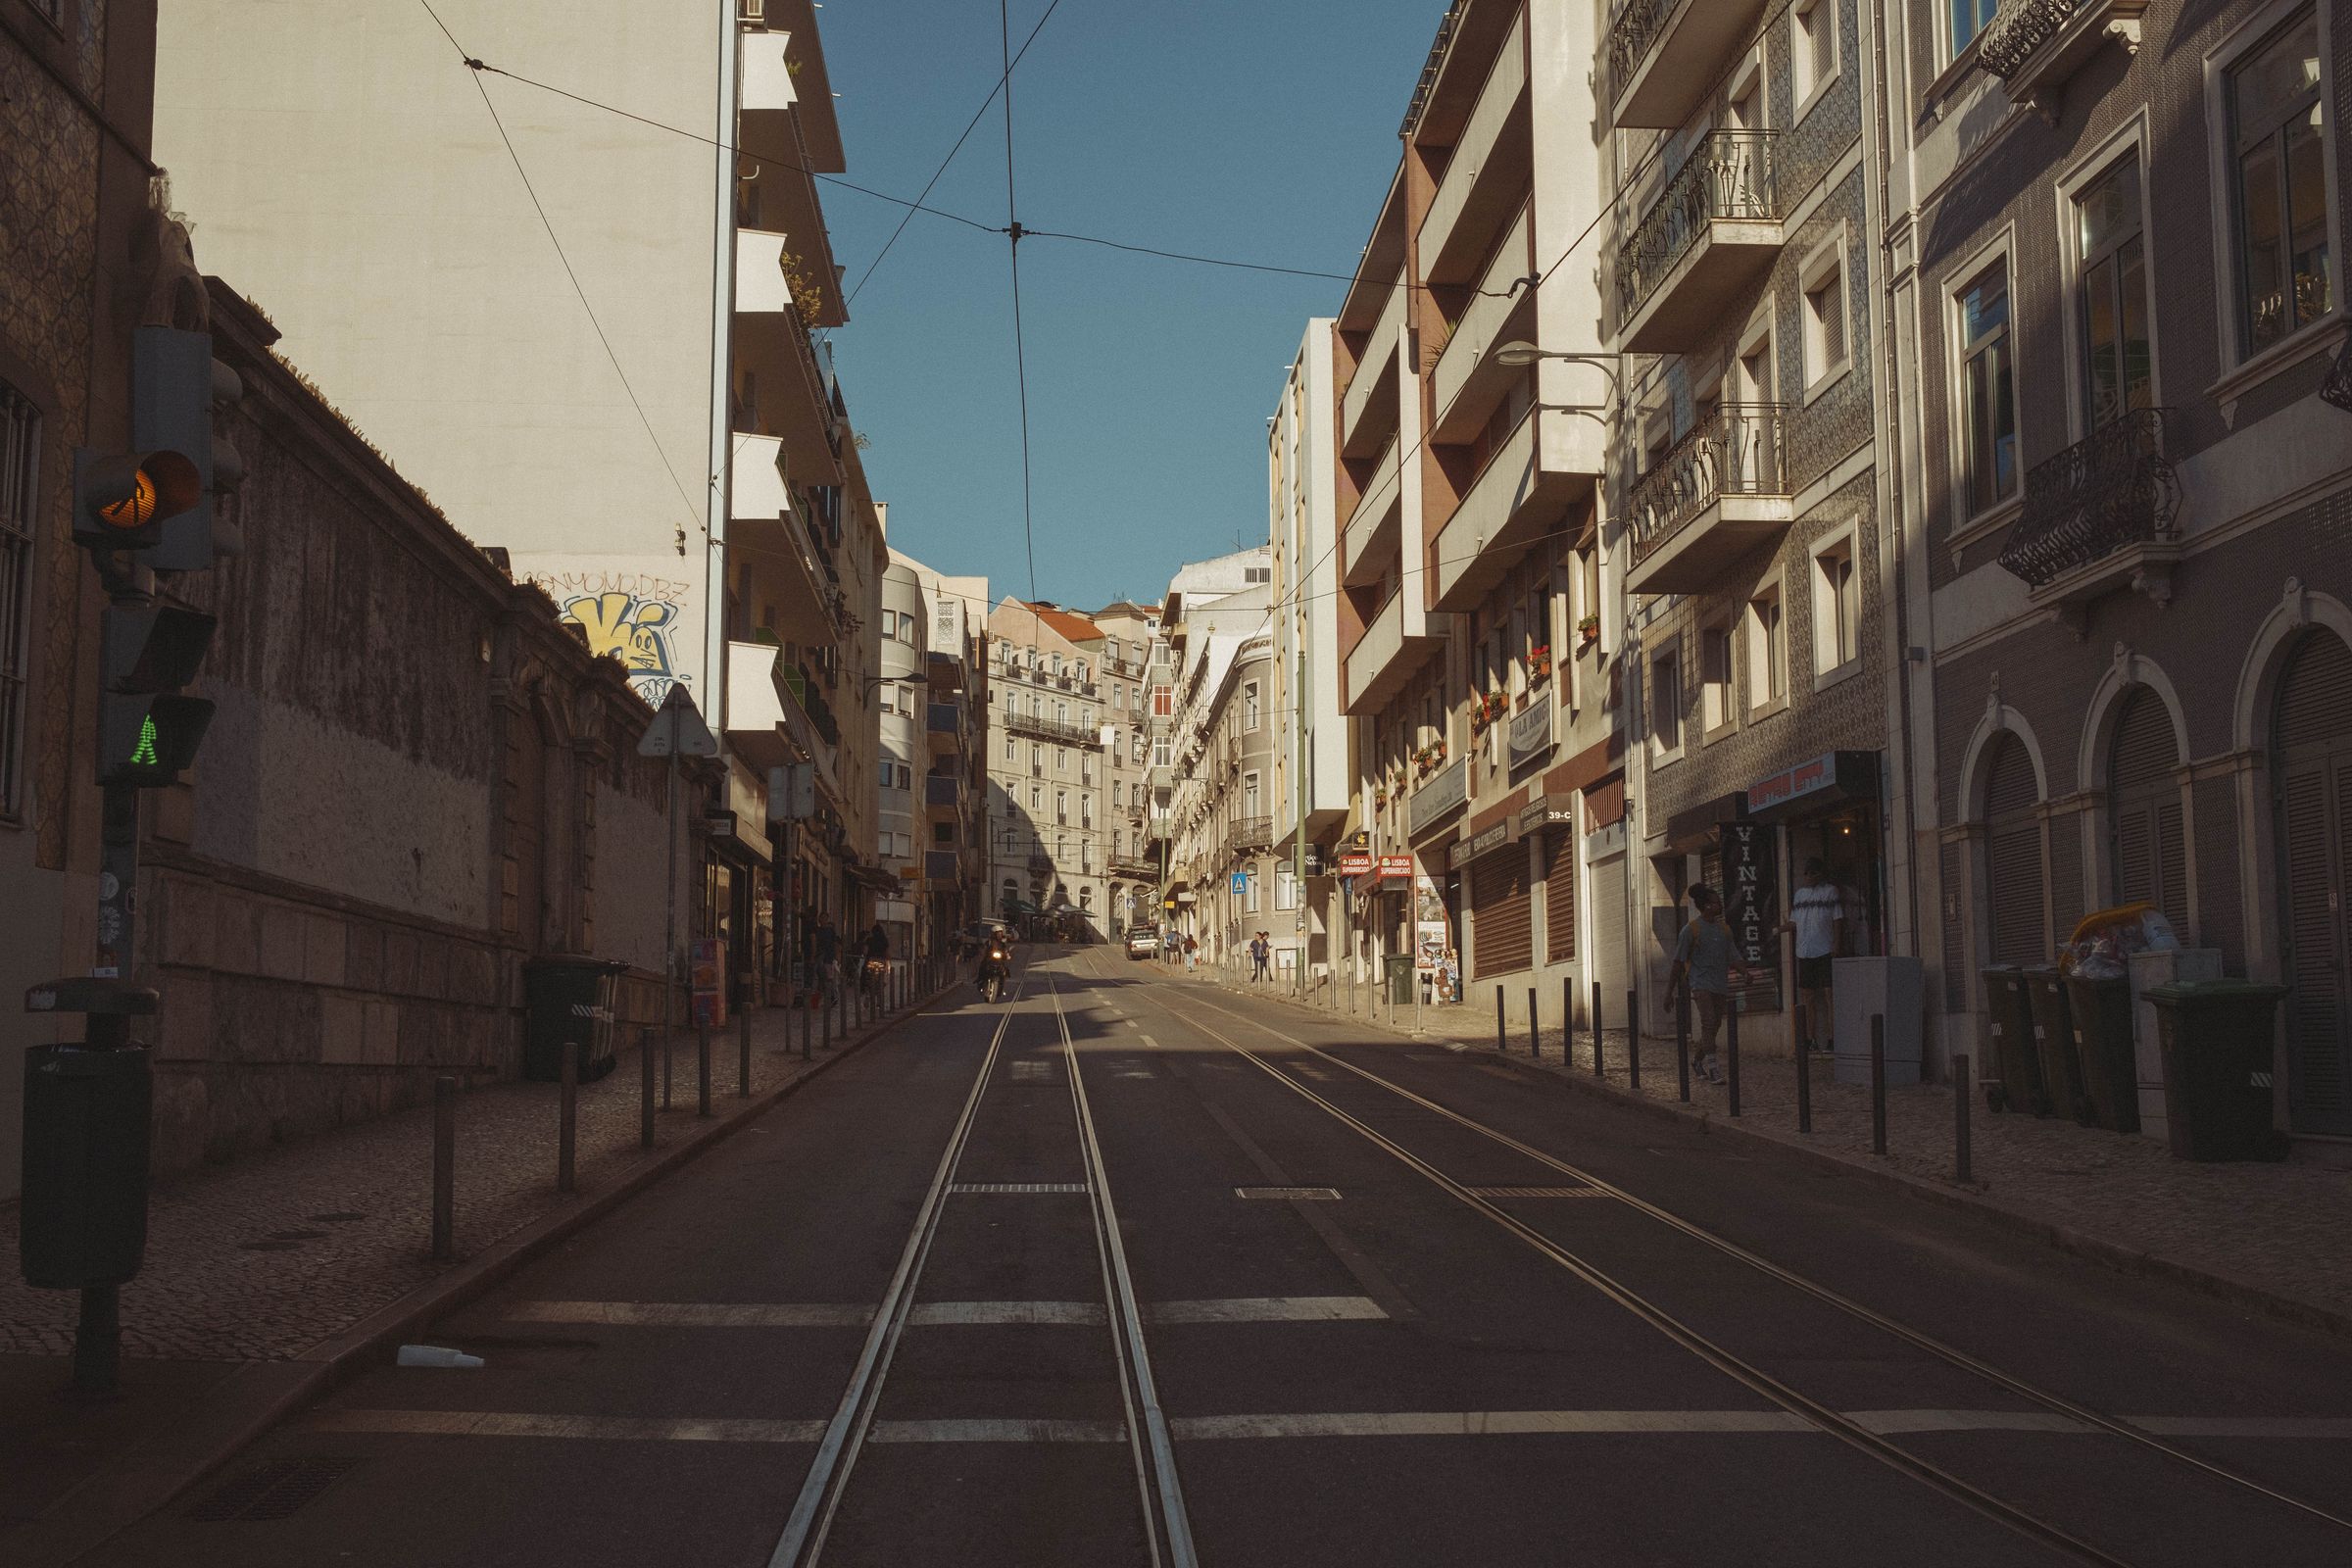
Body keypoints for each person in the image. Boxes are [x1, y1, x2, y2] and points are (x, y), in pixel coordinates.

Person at [1669, 884, 1753, 1084]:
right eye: (1716, 903)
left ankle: (1697, 1061)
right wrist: (1668, 991)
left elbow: (1733, 955)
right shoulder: (1691, 930)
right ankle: (1714, 1068)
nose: (1720, 905)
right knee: (1708, 1021)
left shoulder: (1724, 929)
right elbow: (1678, 962)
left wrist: (1745, 972)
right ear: (1706, 906)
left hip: (1719, 984)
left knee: (1714, 1025)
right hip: (1700, 984)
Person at [1781, 858, 1845, 1054]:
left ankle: (1833, 1038)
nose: (1808, 877)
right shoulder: (1800, 895)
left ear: (1820, 874)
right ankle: (1811, 1038)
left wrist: (1836, 943)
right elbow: (1794, 922)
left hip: (1825, 948)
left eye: (1812, 873)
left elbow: (1837, 918)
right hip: (1805, 950)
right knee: (1808, 996)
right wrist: (1780, 929)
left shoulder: (1830, 892)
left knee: (1829, 994)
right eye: (1806, 873)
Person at [812, 917, 841, 1002]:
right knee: (823, 977)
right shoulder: (819, 931)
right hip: (822, 958)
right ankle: (827, 995)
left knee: (828, 977)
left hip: (827, 958)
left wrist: (836, 956)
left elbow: (836, 945)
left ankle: (831, 995)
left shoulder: (830, 932)